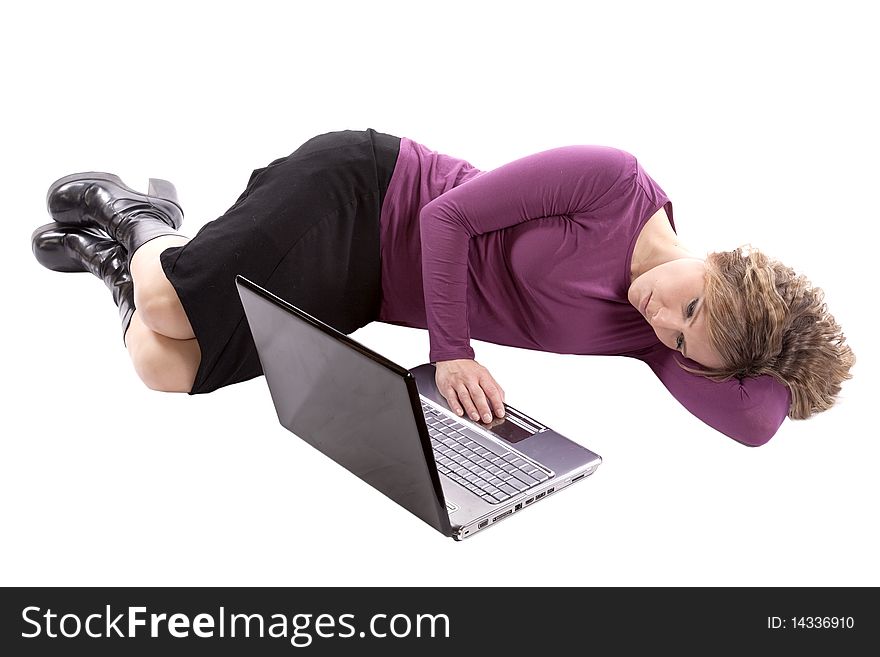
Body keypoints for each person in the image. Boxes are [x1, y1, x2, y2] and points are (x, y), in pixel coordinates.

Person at [31, 128, 854, 448]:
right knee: (171, 308)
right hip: (364, 193)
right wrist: (451, 353)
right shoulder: (615, 184)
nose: (661, 317)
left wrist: (789, 357)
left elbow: (754, 423)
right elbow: (447, 221)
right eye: (693, 303)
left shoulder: (654, 342)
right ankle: (144, 218)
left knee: (162, 368)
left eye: (683, 339)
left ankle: (119, 264)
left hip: (365, 289)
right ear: (726, 259)